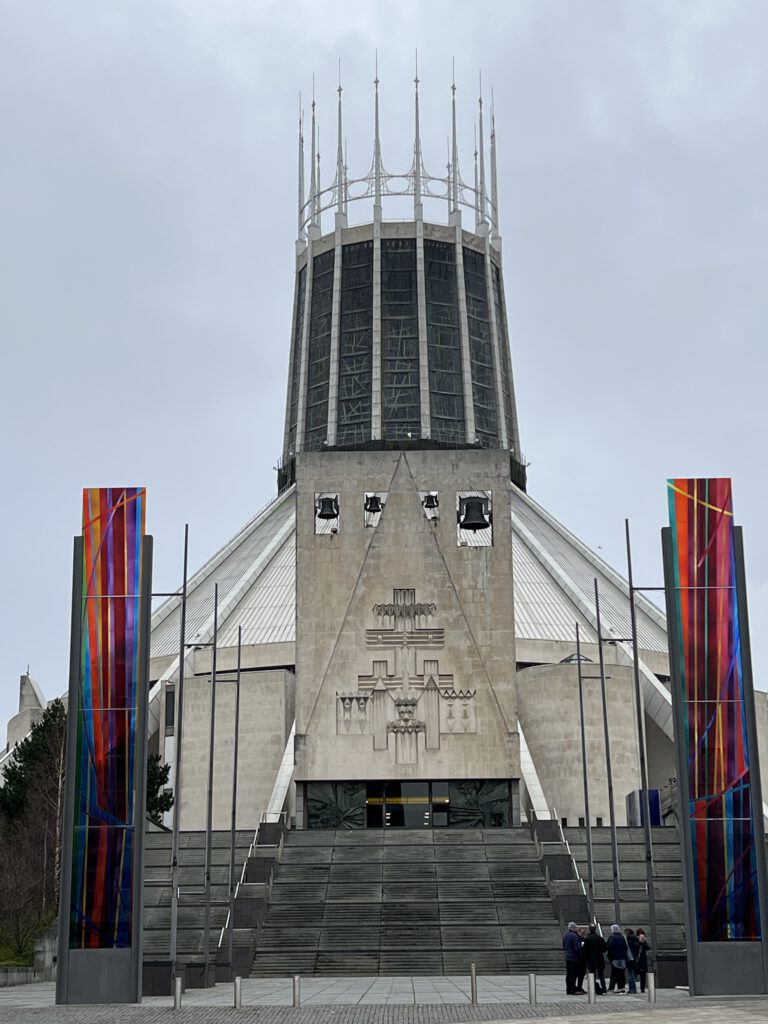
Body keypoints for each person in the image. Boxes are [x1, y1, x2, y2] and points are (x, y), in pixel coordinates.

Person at [582, 924, 608, 994]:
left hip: (591, 959)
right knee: (601, 975)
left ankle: (592, 988)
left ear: (589, 930)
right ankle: (604, 989)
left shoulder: (587, 939)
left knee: (592, 975)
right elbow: (605, 948)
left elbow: (584, 950)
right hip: (599, 959)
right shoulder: (600, 938)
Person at [562, 921, 584, 995]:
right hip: (574, 958)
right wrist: (580, 955)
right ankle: (573, 989)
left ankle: (568, 989)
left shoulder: (565, 935)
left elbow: (564, 945)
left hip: (567, 957)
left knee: (568, 974)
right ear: (574, 928)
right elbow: (577, 948)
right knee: (573, 974)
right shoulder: (574, 936)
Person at [606, 923, 628, 993]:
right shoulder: (622, 937)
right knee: (621, 973)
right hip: (622, 958)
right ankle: (621, 987)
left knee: (614, 973)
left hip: (615, 958)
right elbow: (625, 947)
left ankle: (611, 988)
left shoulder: (612, 937)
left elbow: (610, 947)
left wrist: (609, 955)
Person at [636, 928, 651, 993]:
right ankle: (633, 988)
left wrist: (643, 942)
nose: (641, 936)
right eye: (640, 935)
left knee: (643, 976)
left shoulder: (644, 942)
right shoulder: (635, 940)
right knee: (634, 974)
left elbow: (648, 948)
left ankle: (642, 988)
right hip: (637, 960)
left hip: (642, 961)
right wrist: (639, 942)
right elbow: (635, 947)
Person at [625, 928, 639, 994]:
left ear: (628, 932)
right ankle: (633, 989)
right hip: (634, 958)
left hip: (630, 958)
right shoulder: (636, 939)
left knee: (631, 974)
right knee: (632, 974)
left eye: (626, 932)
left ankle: (632, 989)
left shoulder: (628, 940)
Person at [576, 928, 588, 993]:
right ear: (578, 932)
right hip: (579, 959)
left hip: (583, 959)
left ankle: (580, 987)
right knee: (579, 974)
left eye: (584, 933)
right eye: (582, 933)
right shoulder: (577, 939)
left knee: (582, 974)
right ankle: (578, 987)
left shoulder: (584, 939)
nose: (583, 934)